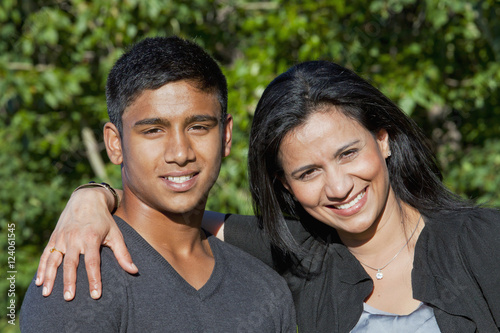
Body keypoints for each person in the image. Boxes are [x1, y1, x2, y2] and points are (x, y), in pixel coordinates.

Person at [35, 60, 500, 332]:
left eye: (348, 153)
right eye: (308, 171)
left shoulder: (483, 242)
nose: (338, 186)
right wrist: (95, 198)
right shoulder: (294, 258)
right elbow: (174, 208)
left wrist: (92, 195)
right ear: (285, 186)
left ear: (383, 140)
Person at [20, 36, 296, 332]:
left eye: (199, 127)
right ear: (115, 144)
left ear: (226, 136)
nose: (180, 153)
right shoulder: (82, 279)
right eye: (153, 130)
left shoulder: (264, 291)